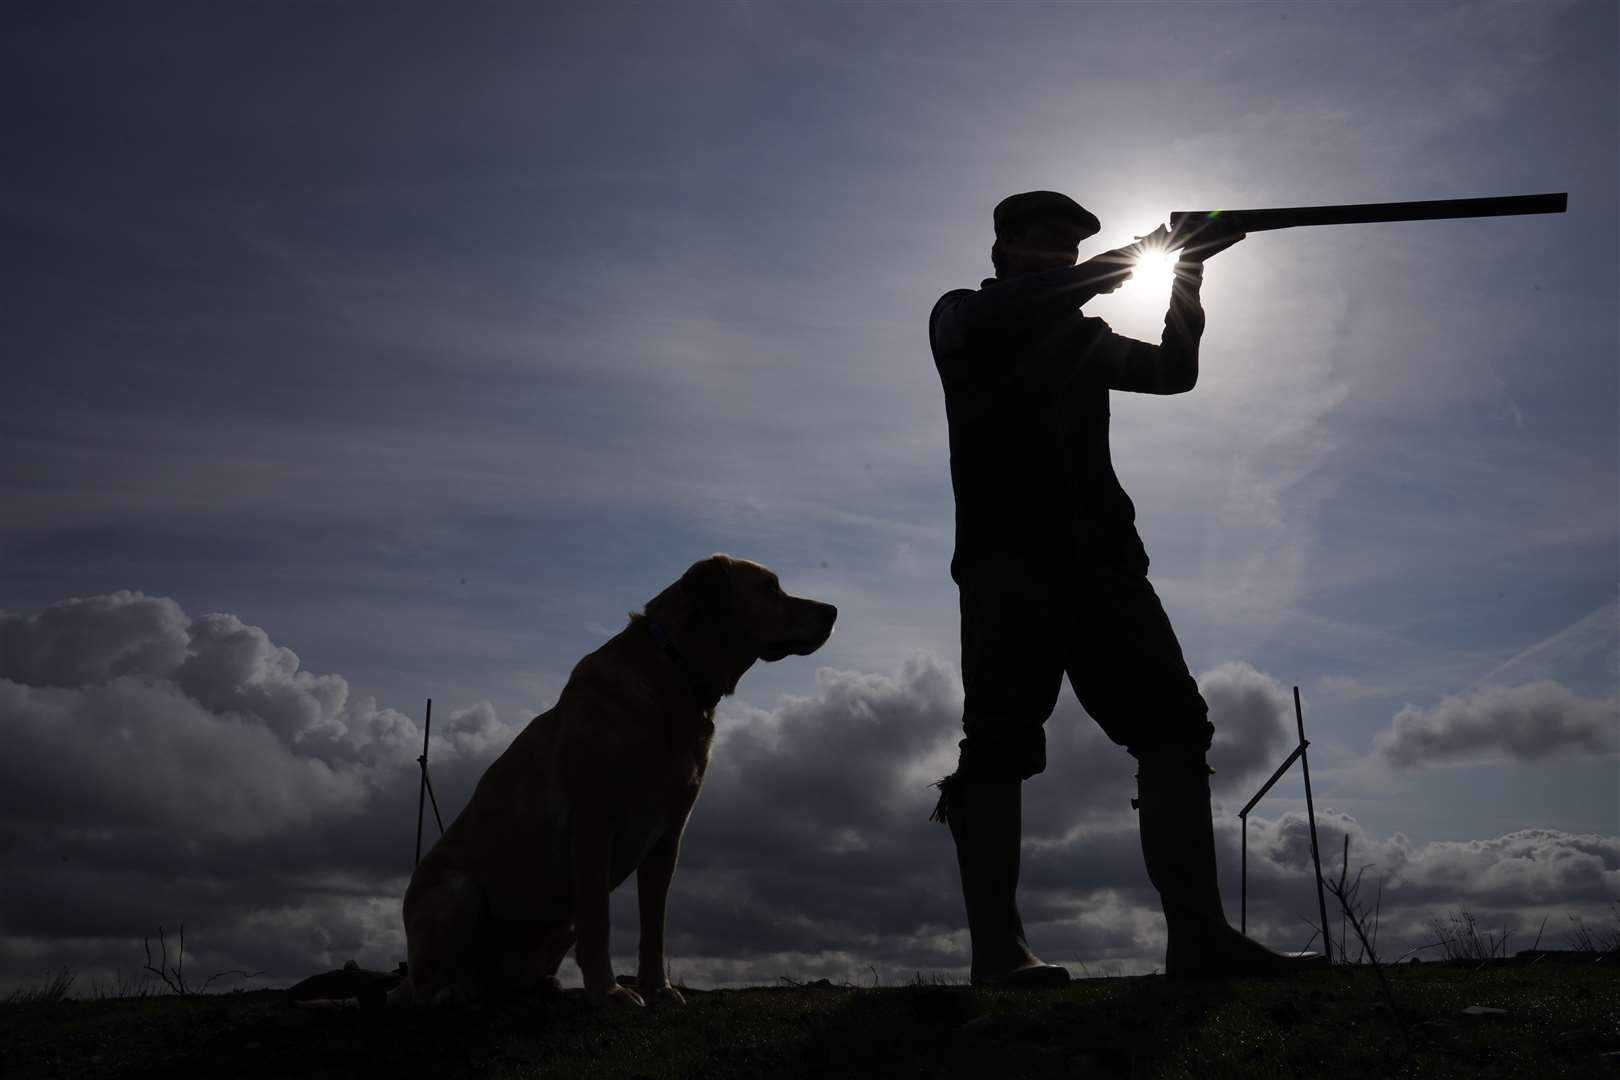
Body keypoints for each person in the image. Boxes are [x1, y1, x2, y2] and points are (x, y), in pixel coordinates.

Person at [928, 191, 1320, 985]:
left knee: (1176, 730)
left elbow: (1174, 373)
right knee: (999, 746)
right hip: (1009, 564)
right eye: (1042, 244)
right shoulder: (962, 316)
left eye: (1068, 249)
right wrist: (1133, 257)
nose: (1057, 258)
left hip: (1107, 564)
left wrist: (1186, 276)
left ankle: (1199, 940)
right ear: (1003, 249)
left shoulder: (1083, 338)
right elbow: (1018, 313)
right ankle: (998, 956)